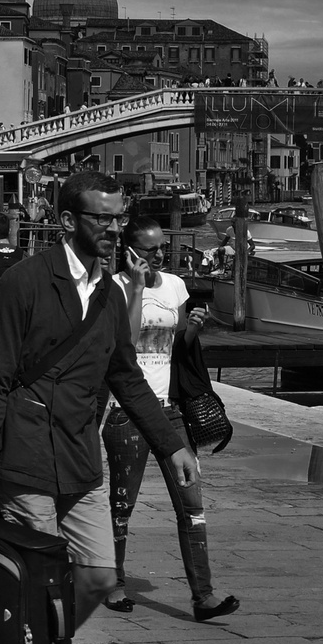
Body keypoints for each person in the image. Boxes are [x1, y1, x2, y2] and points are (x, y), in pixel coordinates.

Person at [0, 170, 195, 644]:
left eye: (120, 218)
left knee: (95, 578)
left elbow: (126, 373)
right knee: (34, 589)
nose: (115, 229)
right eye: (103, 218)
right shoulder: (22, 283)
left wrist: (172, 445)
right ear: (68, 222)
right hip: (23, 451)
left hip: (79, 452)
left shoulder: (114, 292)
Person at [104, 218, 237, 621]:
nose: (159, 254)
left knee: (192, 504)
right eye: (149, 249)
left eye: (162, 247)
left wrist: (193, 329)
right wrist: (138, 287)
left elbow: (175, 349)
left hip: (169, 409)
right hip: (125, 412)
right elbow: (121, 348)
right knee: (122, 504)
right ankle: (114, 584)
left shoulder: (176, 286)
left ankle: (204, 597)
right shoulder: (111, 289)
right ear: (128, 251)